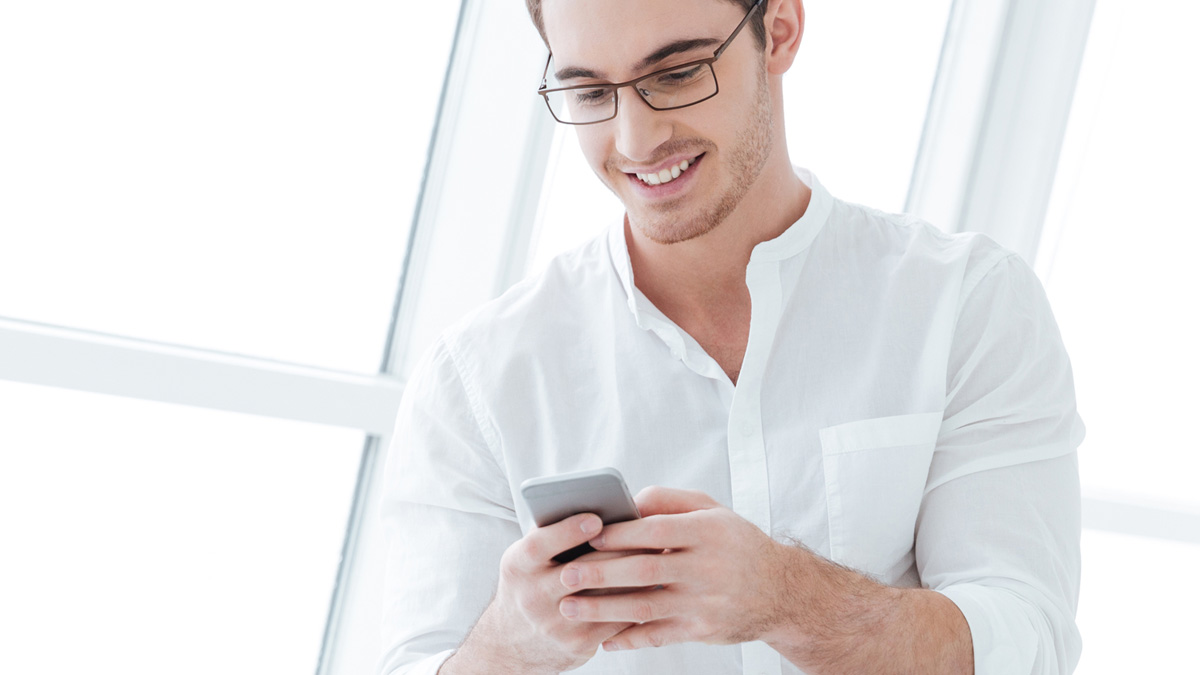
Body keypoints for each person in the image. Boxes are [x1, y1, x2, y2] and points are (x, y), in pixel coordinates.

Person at [378, 0, 1085, 673]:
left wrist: (784, 596)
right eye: (591, 93)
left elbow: (1027, 646)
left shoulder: (966, 305)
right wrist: (510, 646)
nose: (636, 140)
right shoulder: (475, 381)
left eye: (678, 73)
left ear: (779, 30)